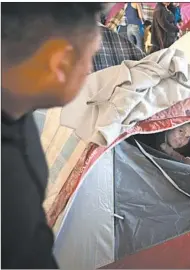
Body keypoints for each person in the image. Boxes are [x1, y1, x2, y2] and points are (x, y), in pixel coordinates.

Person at [1, 3, 103, 268]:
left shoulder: (19, 107)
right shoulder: (8, 187)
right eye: (91, 57)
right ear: (62, 62)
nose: (91, 69)